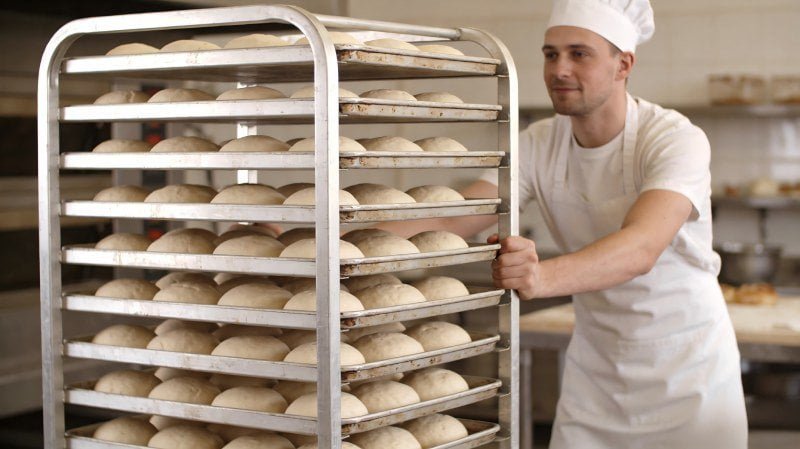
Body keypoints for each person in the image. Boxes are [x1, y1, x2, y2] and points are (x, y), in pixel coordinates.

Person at [377, 0, 748, 447]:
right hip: (597, 373)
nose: (560, 69)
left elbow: (641, 247)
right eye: (551, 54)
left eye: (579, 53)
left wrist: (540, 275)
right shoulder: (538, 144)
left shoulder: (673, 139)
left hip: (688, 372)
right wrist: (320, 238)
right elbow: (449, 217)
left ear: (623, 64)